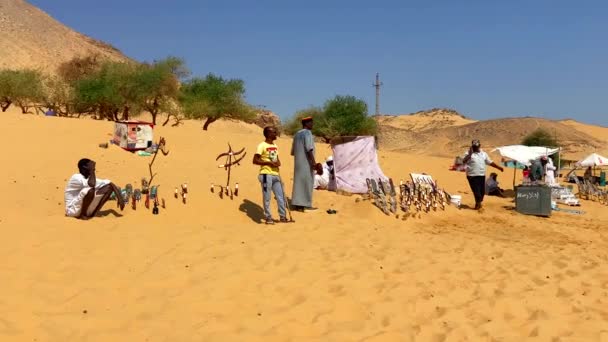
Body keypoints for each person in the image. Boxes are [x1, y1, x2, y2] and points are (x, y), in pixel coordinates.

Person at [252, 126, 288, 224]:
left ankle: (283, 216)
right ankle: (268, 217)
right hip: (265, 174)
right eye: (274, 132)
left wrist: (278, 163)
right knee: (267, 196)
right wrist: (268, 163)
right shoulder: (261, 145)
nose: (276, 134)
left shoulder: (275, 146)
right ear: (268, 134)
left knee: (281, 196)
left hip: (276, 174)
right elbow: (255, 160)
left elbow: (276, 158)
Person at [463, 139, 504, 210]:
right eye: (474, 147)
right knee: (476, 192)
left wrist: (499, 167)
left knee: (482, 192)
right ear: (472, 146)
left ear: (479, 146)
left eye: (476, 146)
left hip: (481, 175)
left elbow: (490, 162)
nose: (475, 148)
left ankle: (478, 203)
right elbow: (463, 161)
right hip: (472, 176)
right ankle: (478, 207)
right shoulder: (468, 153)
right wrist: (470, 154)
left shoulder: (483, 154)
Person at [290, 117, 321, 211]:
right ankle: (306, 205)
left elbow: (293, 152)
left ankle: (298, 204)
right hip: (307, 163)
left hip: (298, 164)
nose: (312, 124)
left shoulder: (297, 134)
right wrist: (314, 163)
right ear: (306, 123)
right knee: (307, 183)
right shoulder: (307, 133)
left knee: (298, 183)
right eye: (311, 122)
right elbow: (309, 149)